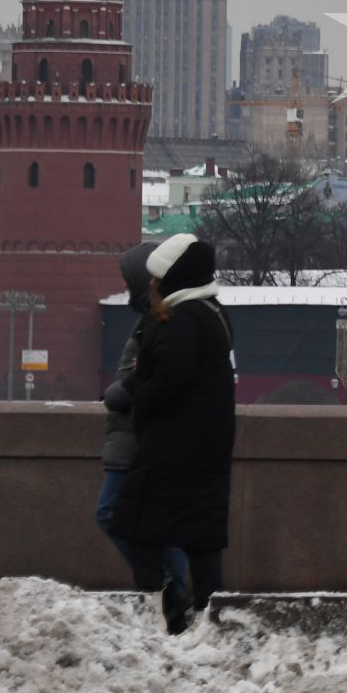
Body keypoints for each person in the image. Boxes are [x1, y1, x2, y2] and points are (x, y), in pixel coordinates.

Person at [106, 233, 236, 633]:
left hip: (175, 446)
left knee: (130, 519)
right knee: (201, 536)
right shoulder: (210, 313)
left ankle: (167, 598)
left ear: (174, 278)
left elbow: (168, 376)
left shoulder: (182, 319)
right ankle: (209, 615)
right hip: (207, 445)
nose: (152, 284)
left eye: (158, 277)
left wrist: (135, 398)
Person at [96, 241, 190, 601]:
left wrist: (116, 394)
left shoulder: (160, 324)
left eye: (129, 281)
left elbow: (129, 388)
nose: (125, 289)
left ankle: (165, 585)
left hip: (140, 441)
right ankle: (172, 591)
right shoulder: (156, 321)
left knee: (112, 514)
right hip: (143, 440)